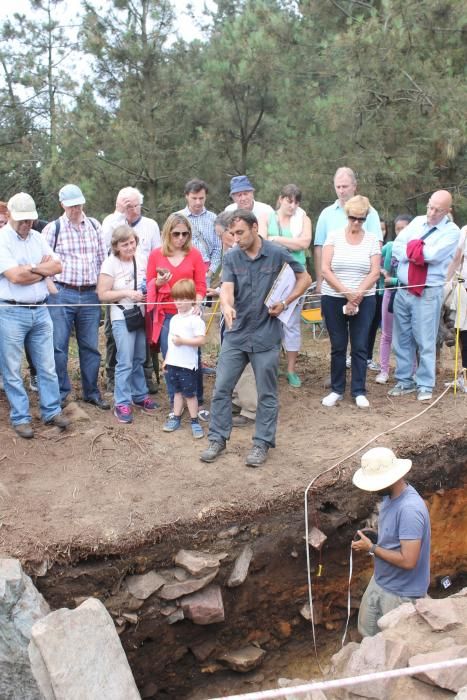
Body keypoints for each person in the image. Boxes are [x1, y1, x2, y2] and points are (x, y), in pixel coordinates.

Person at [200, 210, 310, 468]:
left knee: (267, 393)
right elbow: (227, 288)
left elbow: (305, 278)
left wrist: (285, 302)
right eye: (232, 234)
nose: (236, 238)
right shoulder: (232, 257)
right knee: (221, 389)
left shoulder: (276, 253)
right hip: (236, 334)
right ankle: (217, 439)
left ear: (254, 227)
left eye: (240, 233)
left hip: (266, 335)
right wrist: (226, 306)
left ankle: (261, 443)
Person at [0, 193, 69, 438]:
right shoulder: (2, 239)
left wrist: (31, 268)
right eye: (22, 220)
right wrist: (42, 270)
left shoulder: (38, 237)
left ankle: (51, 411)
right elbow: (14, 277)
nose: (26, 224)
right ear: (9, 216)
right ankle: (20, 417)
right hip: (10, 311)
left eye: (30, 220)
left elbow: (58, 266)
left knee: (47, 366)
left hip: (40, 309)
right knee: (12, 368)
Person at [351, 446, 431, 637]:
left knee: (390, 641)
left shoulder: (410, 510)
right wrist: (376, 537)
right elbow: (396, 537)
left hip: (401, 593)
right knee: (367, 633)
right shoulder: (390, 496)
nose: (372, 489)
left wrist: (372, 548)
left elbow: (408, 561)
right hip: (381, 581)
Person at [389, 190, 460, 401]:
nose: (431, 212)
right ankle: (404, 381)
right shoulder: (418, 221)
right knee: (401, 339)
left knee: (425, 340)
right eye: (430, 207)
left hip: (427, 292)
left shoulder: (452, 231)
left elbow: (433, 255)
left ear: (447, 211)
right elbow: (396, 248)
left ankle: (425, 385)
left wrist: (414, 250)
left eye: (438, 210)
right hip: (403, 289)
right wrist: (417, 251)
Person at [43, 184, 110, 409]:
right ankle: (62, 393)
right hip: (62, 292)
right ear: (62, 205)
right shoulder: (54, 228)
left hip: (90, 294)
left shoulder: (94, 225)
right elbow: (44, 263)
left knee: (90, 345)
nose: (76, 209)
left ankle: (91, 391)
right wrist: (51, 288)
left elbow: (103, 260)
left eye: (79, 204)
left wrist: (101, 289)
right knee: (58, 346)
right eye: (71, 205)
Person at [321, 195, 381, 408]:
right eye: (353, 218)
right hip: (333, 297)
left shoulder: (372, 239)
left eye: (361, 219)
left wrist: (358, 295)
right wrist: (347, 293)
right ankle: (337, 389)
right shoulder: (334, 236)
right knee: (338, 345)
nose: (356, 222)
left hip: (364, 299)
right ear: (347, 216)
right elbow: (325, 269)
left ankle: (358, 390)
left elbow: (375, 272)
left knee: (360, 345)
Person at [146, 214, 208, 419]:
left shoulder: (195, 255)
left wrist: (197, 305)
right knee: (171, 359)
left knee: (193, 358)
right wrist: (159, 282)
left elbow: (200, 284)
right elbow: (149, 283)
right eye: (176, 234)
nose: (180, 238)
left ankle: (196, 401)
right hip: (166, 316)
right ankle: (176, 403)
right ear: (167, 234)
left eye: (185, 234)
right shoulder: (156, 255)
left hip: (189, 314)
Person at [101, 186, 161, 394]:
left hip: (142, 305)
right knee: (118, 347)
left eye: (135, 205)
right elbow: (103, 293)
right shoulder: (111, 222)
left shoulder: (150, 227)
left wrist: (152, 286)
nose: (132, 209)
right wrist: (120, 214)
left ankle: (142, 388)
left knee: (141, 350)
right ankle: (118, 391)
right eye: (128, 205)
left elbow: (156, 258)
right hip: (120, 308)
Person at [97, 225, 158, 424]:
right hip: (121, 316)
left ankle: (140, 395)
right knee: (125, 360)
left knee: (140, 357)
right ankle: (121, 401)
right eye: (125, 245)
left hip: (140, 315)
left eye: (132, 242)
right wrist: (126, 293)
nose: (130, 247)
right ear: (116, 246)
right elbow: (102, 294)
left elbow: (147, 281)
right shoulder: (110, 264)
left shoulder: (141, 258)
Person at [259, 184, 312, 388]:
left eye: (296, 201)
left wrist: (277, 239)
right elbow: (263, 241)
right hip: (272, 273)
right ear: (281, 199)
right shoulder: (267, 217)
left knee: (291, 323)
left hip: (296, 274)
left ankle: (290, 369)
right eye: (289, 200)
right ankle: (272, 366)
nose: (293, 205)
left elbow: (304, 244)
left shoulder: (303, 218)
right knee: (271, 319)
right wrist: (290, 242)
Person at [209, 212, 258, 427]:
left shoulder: (248, 253)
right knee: (231, 359)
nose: (225, 240)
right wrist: (220, 290)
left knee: (246, 361)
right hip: (230, 313)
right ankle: (238, 399)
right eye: (223, 235)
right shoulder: (231, 253)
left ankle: (251, 409)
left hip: (246, 316)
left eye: (226, 235)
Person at [313, 167, 383, 293]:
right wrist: (319, 280)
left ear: (354, 186)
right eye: (338, 187)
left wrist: (363, 287)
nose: (341, 191)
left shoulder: (371, 213)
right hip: (332, 285)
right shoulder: (326, 214)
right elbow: (319, 249)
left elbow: (377, 247)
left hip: (362, 284)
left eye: (344, 187)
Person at [162, 279, 206, 439]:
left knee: (190, 394)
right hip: (173, 364)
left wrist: (183, 341)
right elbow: (170, 344)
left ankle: (195, 421)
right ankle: (176, 417)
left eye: (182, 299)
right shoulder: (174, 320)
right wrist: (166, 360)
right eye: (176, 299)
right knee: (177, 393)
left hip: (187, 366)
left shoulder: (195, 320)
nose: (178, 303)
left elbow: (201, 340)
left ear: (191, 299)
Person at [375, 215, 413, 384]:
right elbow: (375, 262)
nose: (401, 232)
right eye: (398, 228)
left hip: (409, 294)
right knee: (386, 334)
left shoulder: (416, 249)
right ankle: (384, 370)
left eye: (404, 228)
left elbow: (415, 278)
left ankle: (412, 370)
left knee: (408, 334)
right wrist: (383, 273)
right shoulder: (389, 247)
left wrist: (396, 280)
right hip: (389, 294)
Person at [177, 179, 221, 282]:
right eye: (194, 198)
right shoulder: (176, 217)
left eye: (201, 198)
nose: (198, 202)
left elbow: (218, 248)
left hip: (205, 271)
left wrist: (210, 271)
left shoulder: (213, 218)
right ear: (186, 196)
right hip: (181, 270)